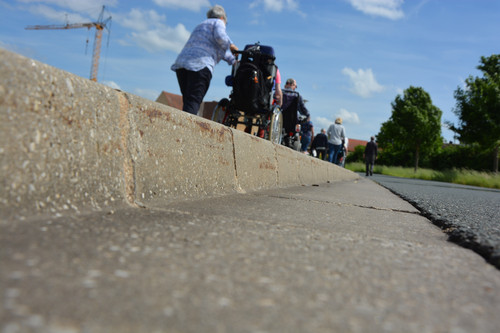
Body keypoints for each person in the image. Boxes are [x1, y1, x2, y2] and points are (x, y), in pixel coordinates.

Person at [171, 5, 238, 115]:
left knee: (188, 102)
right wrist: (231, 45)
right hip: (200, 65)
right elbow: (221, 37)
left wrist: (232, 61)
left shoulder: (201, 25)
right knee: (193, 101)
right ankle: (187, 131)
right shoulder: (218, 23)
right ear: (222, 18)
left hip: (182, 65)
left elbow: (220, 49)